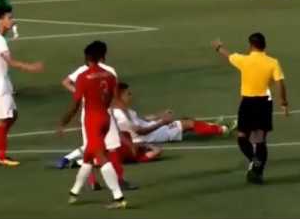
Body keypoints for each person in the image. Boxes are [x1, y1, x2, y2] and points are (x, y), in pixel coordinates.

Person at [56, 41, 137, 191]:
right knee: (112, 148)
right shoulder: (110, 71)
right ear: (103, 55)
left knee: (91, 148)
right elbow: (114, 96)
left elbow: (66, 82)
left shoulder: (81, 71)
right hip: (105, 113)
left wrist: (81, 94)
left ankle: (93, 182)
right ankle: (119, 181)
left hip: (88, 114)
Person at [211, 32, 289, 184]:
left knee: (242, 138)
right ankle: (258, 172)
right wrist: (284, 103)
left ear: (251, 45)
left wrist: (218, 47)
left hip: (247, 103)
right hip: (264, 103)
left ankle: (254, 161)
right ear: (264, 45)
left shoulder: (244, 60)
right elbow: (280, 83)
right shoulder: (273, 62)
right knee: (260, 140)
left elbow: (229, 55)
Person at [112, 82, 237, 163]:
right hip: (152, 135)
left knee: (186, 119)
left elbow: (141, 119)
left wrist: (158, 115)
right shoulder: (121, 116)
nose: (131, 95)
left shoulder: (123, 109)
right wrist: (162, 122)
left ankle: (212, 127)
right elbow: (140, 131)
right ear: (120, 96)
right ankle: (223, 129)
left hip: (152, 130)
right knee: (188, 124)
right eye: (128, 94)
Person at [0, 6, 43, 167]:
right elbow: (11, 62)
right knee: (2, 121)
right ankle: (0, 155)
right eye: (9, 17)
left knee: (13, 115)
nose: (12, 20)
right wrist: (31, 67)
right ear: (0, 20)